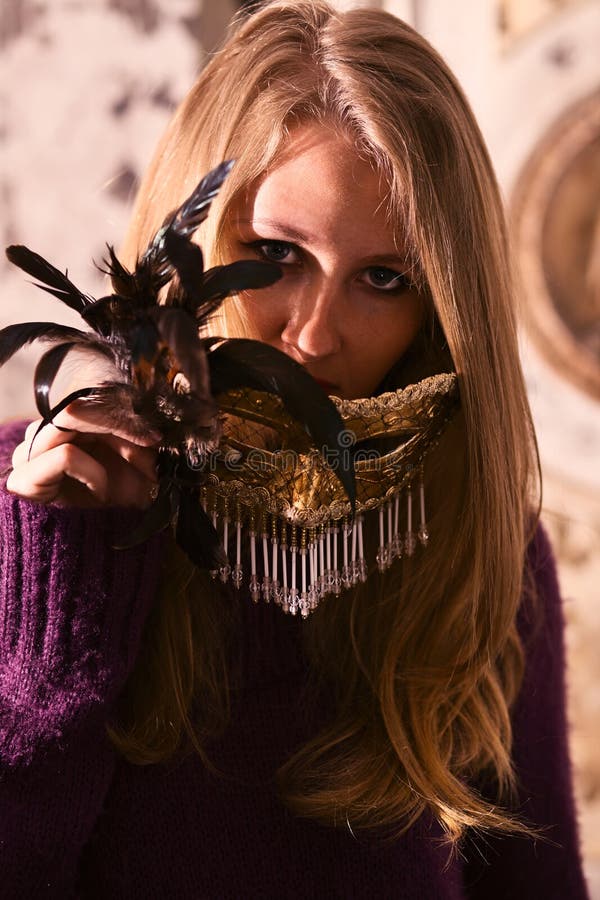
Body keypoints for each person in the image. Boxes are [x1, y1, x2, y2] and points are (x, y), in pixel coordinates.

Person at [0, 1, 589, 897]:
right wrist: (59, 607)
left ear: (441, 309)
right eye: (273, 255)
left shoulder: (477, 547)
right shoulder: (33, 498)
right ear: (188, 237)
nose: (313, 337)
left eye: (383, 278)